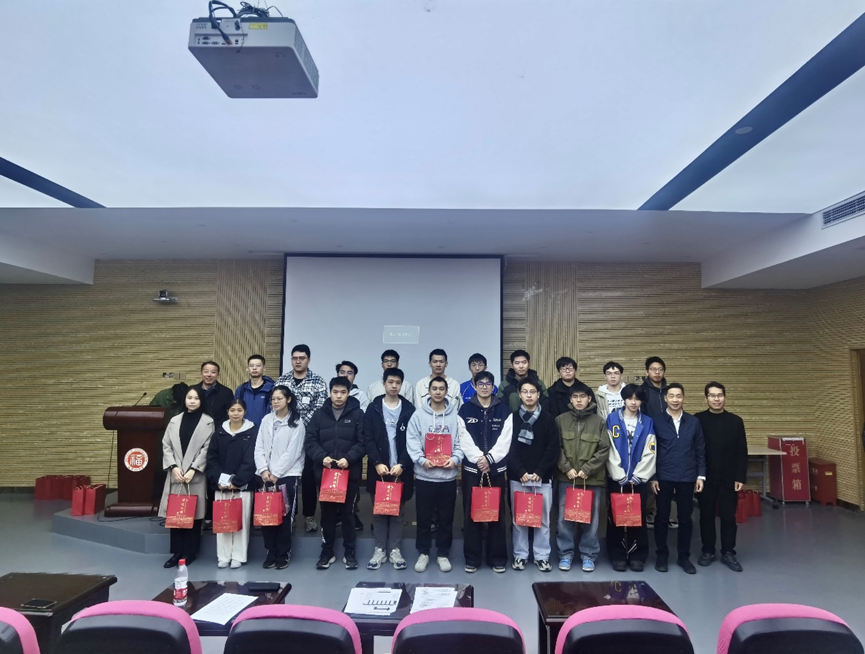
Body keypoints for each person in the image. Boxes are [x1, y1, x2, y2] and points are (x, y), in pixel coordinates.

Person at [305, 377, 366, 571]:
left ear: (348, 393)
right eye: (335, 392)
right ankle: (327, 551)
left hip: (349, 474)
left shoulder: (358, 414)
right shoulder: (319, 415)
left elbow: (363, 442)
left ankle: (350, 552)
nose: (339, 396)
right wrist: (321, 457)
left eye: (343, 392)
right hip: (325, 474)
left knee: (348, 514)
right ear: (330, 392)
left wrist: (349, 458)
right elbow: (310, 441)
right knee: (327, 514)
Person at [406, 376, 465, 573]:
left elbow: (461, 441)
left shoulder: (455, 417)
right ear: (429, 391)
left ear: (446, 392)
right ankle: (423, 553)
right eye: (434, 388)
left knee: (445, 519)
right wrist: (421, 460)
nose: (438, 392)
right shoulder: (418, 416)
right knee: (423, 518)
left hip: (447, 478)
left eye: (441, 389)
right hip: (425, 477)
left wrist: (455, 459)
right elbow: (412, 440)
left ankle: (443, 554)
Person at [459, 370, 512, 573]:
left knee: (496, 514)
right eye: (480, 383)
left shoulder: (504, 410)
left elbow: (505, 439)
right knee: (472, 514)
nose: (484, 387)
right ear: (474, 386)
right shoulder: (465, 410)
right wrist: (479, 459)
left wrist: (490, 459)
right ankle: (472, 558)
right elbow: (463, 438)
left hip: (496, 469)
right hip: (473, 470)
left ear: (493, 386)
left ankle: (497, 558)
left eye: (488, 383)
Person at [363, 368, 415, 571]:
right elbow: (367, 437)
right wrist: (376, 462)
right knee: (379, 512)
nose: (394, 386)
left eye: (398, 382)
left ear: (402, 385)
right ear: (384, 383)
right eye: (390, 382)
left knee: (397, 513)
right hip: (379, 470)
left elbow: (413, 440)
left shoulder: (409, 409)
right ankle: (379, 550)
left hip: (400, 470)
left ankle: (394, 550)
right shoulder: (374, 408)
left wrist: (402, 464)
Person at [650, 383, 706, 575]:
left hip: (687, 476)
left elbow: (700, 449)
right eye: (671, 396)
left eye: (679, 396)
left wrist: (700, 475)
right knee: (661, 517)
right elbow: (650, 451)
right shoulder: (655, 421)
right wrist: (653, 476)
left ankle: (684, 557)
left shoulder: (693, 421)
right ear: (665, 398)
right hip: (663, 476)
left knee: (686, 518)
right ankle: (662, 555)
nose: (675, 399)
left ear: (684, 398)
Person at [555, 382, 610, 573]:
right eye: (575, 397)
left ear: (589, 399)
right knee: (564, 520)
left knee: (591, 520)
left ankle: (588, 555)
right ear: (570, 400)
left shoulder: (599, 422)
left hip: (591, 479)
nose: (579, 400)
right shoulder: (560, 420)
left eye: (583, 397)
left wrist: (588, 468)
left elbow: (604, 449)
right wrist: (566, 468)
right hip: (567, 478)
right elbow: (556, 447)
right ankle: (565, 554)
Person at [158, 387, 214, 568]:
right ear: (184, 400)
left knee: (193, 515)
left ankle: (190, 552)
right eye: (189, 398)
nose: (192, 401)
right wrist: (173, 467)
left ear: (201, 401)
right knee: (176, 514)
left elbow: (207, 449)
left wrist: (193, 469)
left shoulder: (208, 422)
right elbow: (166, 445)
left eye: (196, 398)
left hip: (194, 475)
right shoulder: (174, 420)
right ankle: (176, 552)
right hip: (176, 474)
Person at [508, 378, 559, 572]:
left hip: (542, 478)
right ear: (519, 395)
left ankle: (542, 556)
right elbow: (508, 448)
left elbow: (552, 448)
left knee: (543, 519)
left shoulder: (548, 419)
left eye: (532, 392)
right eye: (525, 392)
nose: (528, 395)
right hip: (518, 477)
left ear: (538, 395)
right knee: (519, 519)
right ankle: (520, 555)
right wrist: (520, 471)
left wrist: (540, 471)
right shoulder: (512, 419)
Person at [695, 382, 748, 572]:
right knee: (706, 515)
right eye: (712, 395)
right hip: (705, 477)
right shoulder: (698, 420)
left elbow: (742, 451)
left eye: (720, 395)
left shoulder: (736, 421)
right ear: (706, 398)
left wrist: (740, 477)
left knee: (728, 516)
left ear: (725, 397)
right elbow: (694, 450)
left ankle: (728, 552)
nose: (716, 399)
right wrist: (697, 476)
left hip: (729, 478)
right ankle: (708, 550)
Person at [276, 344, 328, 533]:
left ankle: (309, 516)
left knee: (308, 478)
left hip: (309, 438)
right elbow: (276, 406)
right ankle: (288, 513)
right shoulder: (282, 381)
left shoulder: (318, 382)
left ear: (308, 360)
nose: (298, 361)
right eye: (295, 358)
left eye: (302, 358)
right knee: (286, 476)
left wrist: (297, 426)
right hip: (285, 438)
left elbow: (319, 410)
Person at [605, 384, 656, 572]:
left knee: (637, 516)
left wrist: (639, 475)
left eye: (637, 399)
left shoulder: (648, 422)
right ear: (624, 399)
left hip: (638, 479)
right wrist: (618, 474)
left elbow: (651, 449)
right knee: (615, 516)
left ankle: (637, 555)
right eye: (630, 398)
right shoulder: (612, 419)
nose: (633, 402)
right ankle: (617, 555)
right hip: (616, 478)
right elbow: (608, 447)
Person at [254, 385, 305, 570]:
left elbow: (293, 452)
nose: (275, 402)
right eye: (273, 399)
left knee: (284, 516)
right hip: (265, 475)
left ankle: (284, 553)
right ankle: (271, 551)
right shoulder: (266, 419)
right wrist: (263, 470)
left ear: (288, 399)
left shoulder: (297, 422)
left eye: (279, 398)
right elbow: (259, 446)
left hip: (286, 476)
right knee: (266, 515)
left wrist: (276, 473)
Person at [205, 398, 257, 569]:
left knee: (241, 522)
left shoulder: (252, 432)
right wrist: (218, 480)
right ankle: (223, 556)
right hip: (221, 486)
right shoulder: (219, 432)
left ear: (245, 412)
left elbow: (251, 460)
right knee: (223, 521)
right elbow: (212, 458)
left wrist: (237, 481)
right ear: (227, 412)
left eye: (239, 410)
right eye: (232, 410)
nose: (236, 413)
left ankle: (239, 556)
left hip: (242, 486)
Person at [337, 360, 370, 532]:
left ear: (354, 376)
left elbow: (362, 420)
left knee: (352, 485)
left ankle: (352, 513)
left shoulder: (361, 396)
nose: (345, 375)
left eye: (349, 373)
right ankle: (336, 515)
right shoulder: (331, 393)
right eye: (342, 372)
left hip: (353, 448)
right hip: (334, 448)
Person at [235, 354, 274, 429]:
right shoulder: (241, 389)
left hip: (265, 430)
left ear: (264, 368)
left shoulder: (271, 389)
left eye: (258, 365)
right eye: (251, 366)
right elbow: (236, 410)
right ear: (247, 369)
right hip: (244, 430)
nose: (254, 368)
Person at [192, 361, 234, 427]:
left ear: (218, 375)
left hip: (218, 430)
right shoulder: (192, 390)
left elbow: (230, 414)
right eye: (206, 371)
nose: (209, 375)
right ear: (201, 373)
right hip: (194, 428)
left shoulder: (226, 392)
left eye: (213, 372)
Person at [640, 357, 668, 421]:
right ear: (647, 372)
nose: (657, 372)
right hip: (649, 426)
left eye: (660, 369)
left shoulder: (669, 391)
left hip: (668, 427)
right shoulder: (642, 391)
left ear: (664, 372)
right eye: (653, 369)